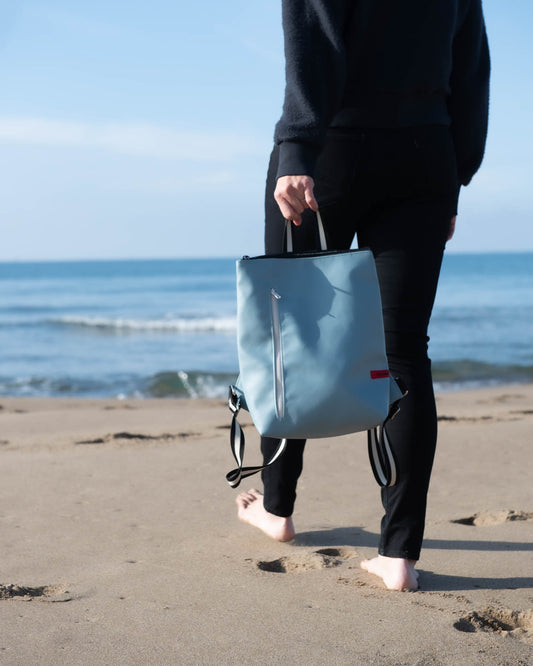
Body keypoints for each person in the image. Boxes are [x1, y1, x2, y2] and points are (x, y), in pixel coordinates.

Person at [236, 0, 490, 590]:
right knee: (403, 351)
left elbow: (312, 37)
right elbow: (472, 67)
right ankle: (399, 557)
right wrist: (456, 174)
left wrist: (297, 147)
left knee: (292, 330)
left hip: (330, 149)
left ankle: (277, 508)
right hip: (426, 155)